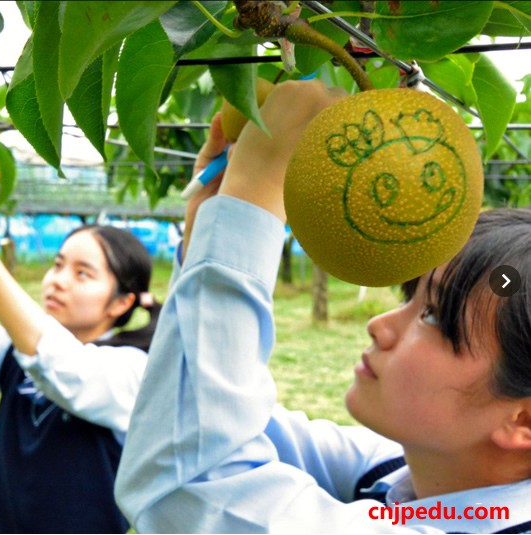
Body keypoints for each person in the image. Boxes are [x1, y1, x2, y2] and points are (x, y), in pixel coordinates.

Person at [114, 80, 531, 533]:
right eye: (410, 299)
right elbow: (188, 425)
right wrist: (207, 238)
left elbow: (184, 486)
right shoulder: (413, 476)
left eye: (433, 317)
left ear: (523, 420)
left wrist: (254, 190)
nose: (379, 325)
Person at [0, 155, 161, 534]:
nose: (57, 280)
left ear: (122, 302)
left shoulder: (132, 373)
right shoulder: (14, 350)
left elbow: (65, 369)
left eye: (82, 273)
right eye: (57, 265)